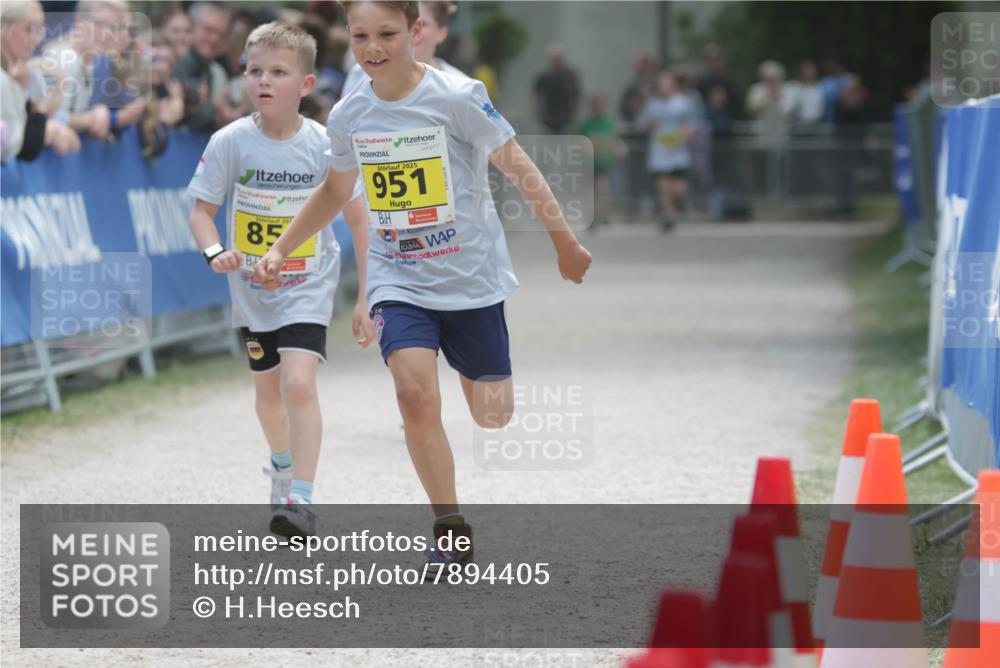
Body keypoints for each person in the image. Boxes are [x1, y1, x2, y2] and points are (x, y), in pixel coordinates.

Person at [254, 0, 592, 569]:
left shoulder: (458, 97)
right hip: (398, 276)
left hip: (470, 278)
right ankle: (449, 527)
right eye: (360, 36)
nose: (372, 48)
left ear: (416, 31)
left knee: (493, 414)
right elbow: (335, 191)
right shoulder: (350, 113)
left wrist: (565, 241)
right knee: (413, 393)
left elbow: (517, 165)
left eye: (387, 34)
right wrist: (281, 247)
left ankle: (475, 381)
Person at [186, 22, 342, 537]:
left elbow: (359, 218)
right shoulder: (230, 141)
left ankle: (301, 498)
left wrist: (369, 293)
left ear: (306, 84)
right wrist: (216, 252)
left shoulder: (324, 145)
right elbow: (201, 212)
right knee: (269, 395)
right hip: (253, 290)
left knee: (298, 384)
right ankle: (281, 464)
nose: (264, 81)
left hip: (308, 283)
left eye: (278, 72)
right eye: (254, 71)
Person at [636, 70, 698, 231]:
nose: (665, 87)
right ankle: (668, 215)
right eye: (662, 84)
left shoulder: (683, 102)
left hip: (678, 153)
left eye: (668, 84)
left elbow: (694, 123)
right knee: (663, 185)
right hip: (660, 153)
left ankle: (680, 208)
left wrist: (688, 130)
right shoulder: (652, 105)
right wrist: (649, 126)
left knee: (678, 189)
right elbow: (641, 124)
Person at [173, 1, 234, 133]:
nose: (215, 39)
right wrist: (216, 106)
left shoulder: (214, 71)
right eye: (209, 30)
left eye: (222, 34)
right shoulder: (172, 62)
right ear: (190, 26)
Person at [575, 93, 624, 228]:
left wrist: (618, 148)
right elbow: (577, 140)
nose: (599, 108)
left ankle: (601, 214)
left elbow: (616, 140)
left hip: (604, 162)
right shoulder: (586, 123)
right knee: (590, 191)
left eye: (601, 105)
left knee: (602, 187)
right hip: (589, 163)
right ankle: (591, 215)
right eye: (596, 105)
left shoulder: (610, 122)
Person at [532, 44, 580, 134]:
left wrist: (574, 115)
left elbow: (576, 96)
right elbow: (537, 97)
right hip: (548, 118)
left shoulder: (570, 76)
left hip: (566, 118)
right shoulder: (544, 77)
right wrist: (539, 115)